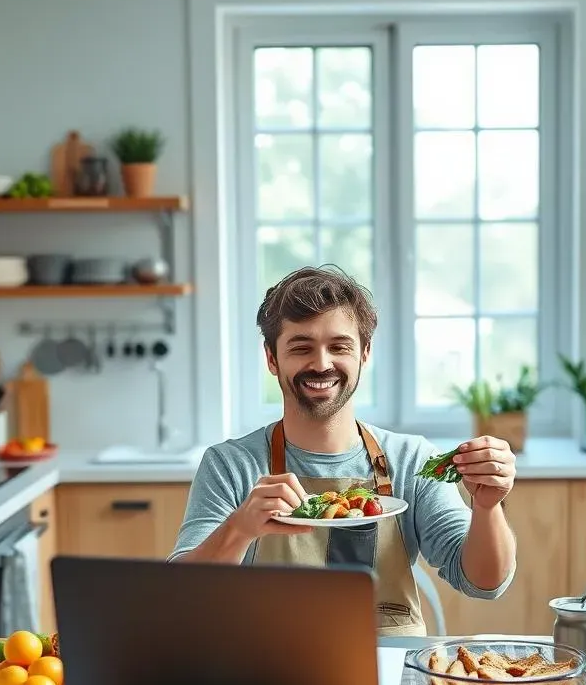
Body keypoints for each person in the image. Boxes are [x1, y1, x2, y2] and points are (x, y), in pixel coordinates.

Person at [169, 265, 517, 636]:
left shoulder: (410, 460)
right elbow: (182, 595)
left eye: (339, 347)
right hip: (265, 670)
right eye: (301, 347)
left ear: (364, 354)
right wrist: (239, 528)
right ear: (272, 359)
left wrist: (487, 506)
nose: (321, 363)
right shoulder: (230, 465)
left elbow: (483, 582)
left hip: (387, 670)